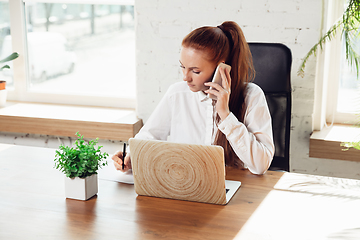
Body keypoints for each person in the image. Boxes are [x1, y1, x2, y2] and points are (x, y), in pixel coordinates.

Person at [112, 21, 274, 175]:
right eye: (183, 67)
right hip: (184, 185)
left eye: (195, 71)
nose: (185, 77)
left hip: (236, 190)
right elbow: (148, 137)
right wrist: (131, 157)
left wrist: (225, 115)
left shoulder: (252, 96)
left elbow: (261, 165)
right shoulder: (177, 94)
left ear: (221, 68)